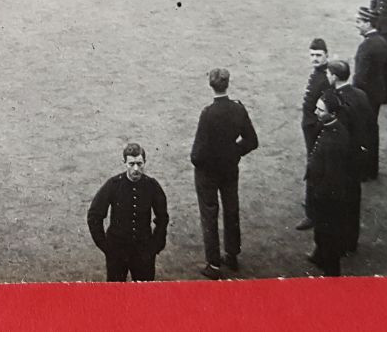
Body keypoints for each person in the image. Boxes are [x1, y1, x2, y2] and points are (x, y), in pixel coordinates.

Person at [189, 68, 259, 278]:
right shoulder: (238, 109)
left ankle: (213, 263)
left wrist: (200, 162)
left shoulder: (208, 113)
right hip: (229, 169)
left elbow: (197, 153)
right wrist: (234, 152)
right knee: (231, 209)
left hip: (208, 172)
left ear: (211, 84)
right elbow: (252, 141)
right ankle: (232, 254)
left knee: (209, 214)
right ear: (227, 83)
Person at [87, 142, 169, 281]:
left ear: (145, 162)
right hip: (117, 251)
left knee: (145, 295)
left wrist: (154, 246)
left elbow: (162, 218)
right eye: (131, 164)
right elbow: (94, 215)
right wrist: (106, 247)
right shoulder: (113, 185)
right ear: (124, 163)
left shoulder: (152, 186)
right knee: (115, 295)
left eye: (140, 163)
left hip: (143, 251)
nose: (136, 169)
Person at [305, 91, 357, 276]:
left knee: (329, 239)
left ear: (333, 113)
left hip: (328, 199)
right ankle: (320, 257)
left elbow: (332, 178)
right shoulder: (329, 127)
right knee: (321, 234)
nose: (316, 112)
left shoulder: (335, 139)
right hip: (323, 194)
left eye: (320, 110)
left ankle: (331, 276)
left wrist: (318, 195)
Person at [328, 59, 373, 256]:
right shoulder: (360, 94)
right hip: (359, 155)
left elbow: (340, 133)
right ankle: (351, 241)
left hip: (344, 159)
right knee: (354, 199)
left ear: (335, 76)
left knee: (339, 202)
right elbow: (371, 123)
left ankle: (341, 242)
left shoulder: (338, 100)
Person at [295, 38, 332, 230]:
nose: (315, 59)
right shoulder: (319, 74)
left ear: (327, 55)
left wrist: (316, 128)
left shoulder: (324, 78)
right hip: (309, 126)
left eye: (318, 55)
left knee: (314, 168)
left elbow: (325, 107)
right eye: (312, 55)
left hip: (315, 128)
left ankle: (312, 213)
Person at [352, 8, 387, 179]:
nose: (357, 26)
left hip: (365, 95)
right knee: (372, 129)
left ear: (368, 24)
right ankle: (372, 169)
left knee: (363, 131)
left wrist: (353, 95)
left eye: (359, 22)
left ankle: (364, 170)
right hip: (377, 93)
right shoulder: (382, 41)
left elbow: (360, 77)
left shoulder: (366, 46)